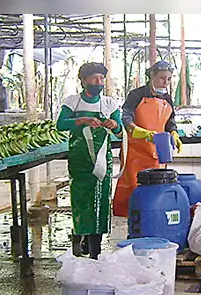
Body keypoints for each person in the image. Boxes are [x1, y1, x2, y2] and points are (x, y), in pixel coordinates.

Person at [55, 63, 123, 259]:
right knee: (81, 201)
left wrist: (115, 124)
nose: (98, 82)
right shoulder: (73, 102)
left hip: (102, 163)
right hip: (80, 161)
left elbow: (119, 133)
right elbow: (60, 124)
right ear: (83, 81)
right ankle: (79, 239)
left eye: (101, 79)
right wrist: (81, 120)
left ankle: (96, 248)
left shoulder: (109, 104)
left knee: (100, 202)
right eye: (94, 78)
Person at [114, 61, 181, 217]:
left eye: (169, 79)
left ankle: (153, 221)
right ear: (152, 76)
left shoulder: (168, 99)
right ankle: (134, 224)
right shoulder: (136, 95)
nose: (166, 82)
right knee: (134, 189)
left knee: (155, 190)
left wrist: (174, 133)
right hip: (135, 152)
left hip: (158, 152)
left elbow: (170, 122)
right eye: (162, 78)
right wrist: (139, 131)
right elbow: (125, 117)